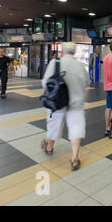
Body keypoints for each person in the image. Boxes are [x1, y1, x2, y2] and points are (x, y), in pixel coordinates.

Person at [40, 42, 90, 171]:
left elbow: (45, 83)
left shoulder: (54, 63)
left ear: (62, 51)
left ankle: (49, 147)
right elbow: (86, 83)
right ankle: (74, 159)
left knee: (53, 126)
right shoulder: (80, 66)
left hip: (57, 103)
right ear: (74, 52)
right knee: (76, 130)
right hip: (76, 104)